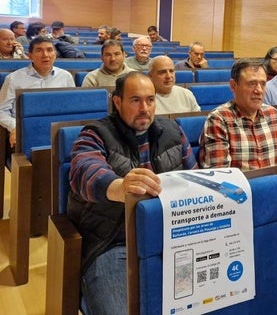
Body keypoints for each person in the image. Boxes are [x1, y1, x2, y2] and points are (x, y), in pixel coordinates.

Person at [68, 71, 198, 315]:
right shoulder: (95, 133)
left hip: (172, 238)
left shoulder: (173, 131)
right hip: (114, 242)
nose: (145, 108)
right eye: (135, 100)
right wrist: (119, 187)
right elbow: (83, 171)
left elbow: (194, 179)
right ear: (117, 102)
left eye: (150, 100)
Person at [199, 58, 277, 170]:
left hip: (274, 186)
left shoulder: (274, 115)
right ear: (233, 86)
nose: (259, 90)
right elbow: (221, 176)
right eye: (251, 84)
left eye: (263, 84)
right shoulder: (218, 120)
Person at [0, 36, 75, 147]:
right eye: (39, 50)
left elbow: (72, 108)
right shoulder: (13, 79)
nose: (45, 55)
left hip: (58, 131)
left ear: (55, 54)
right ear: (30, 56)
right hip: (25, 131)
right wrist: (15, 127)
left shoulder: (65, 76)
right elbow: (2, 110)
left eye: (49, 50)